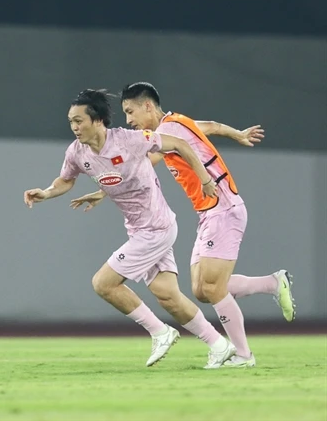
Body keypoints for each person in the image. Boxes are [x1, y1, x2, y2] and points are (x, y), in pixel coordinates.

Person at [72, 82, 295, 368]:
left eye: (130, 112)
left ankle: (242, 355)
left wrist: (207, 176)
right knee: (202, 290)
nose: (129, 120)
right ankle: (272, 283)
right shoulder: (176, 123)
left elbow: (144, 157)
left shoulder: (168, 130)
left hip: (223, 208)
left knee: (212, 289)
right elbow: (210, 126)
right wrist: (237, 134)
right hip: (209, 213)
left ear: (148, 106)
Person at [24, 89, 236, 369]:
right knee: (168, 297)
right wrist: (47, 192)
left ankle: (160, 332)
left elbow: (181, 144)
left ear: (97, 119)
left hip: (157, 228)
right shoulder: (76, 152)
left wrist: (204, 178)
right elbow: (66, 180)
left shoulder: (131, 140)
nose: (74, 127)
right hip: (139, 230)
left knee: (103, 283)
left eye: (79, 121)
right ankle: (220, 346)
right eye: (71, 122)